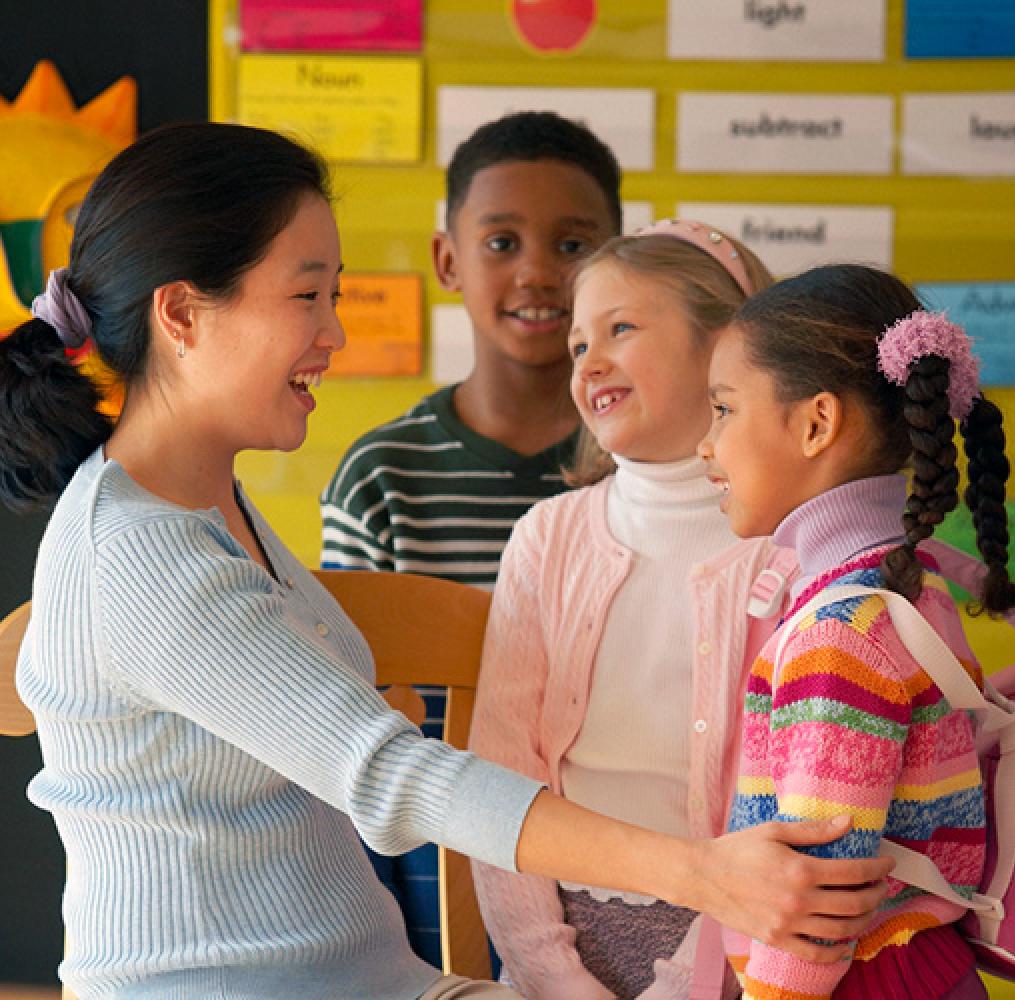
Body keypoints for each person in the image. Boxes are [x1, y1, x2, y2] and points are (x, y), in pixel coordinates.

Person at [0, 125, 895, 1000]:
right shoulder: (137, 550)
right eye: (306, 297)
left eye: (336, 297)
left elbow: (264, 714)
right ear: (185, 314)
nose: (334, 335)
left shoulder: (208, 503)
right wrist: (702, 873)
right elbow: (385, 772)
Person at [469, 220, 824, 1000]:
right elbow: (498, 781)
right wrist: (552, 975)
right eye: (575, 345)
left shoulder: (796, 548)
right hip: (557, 948)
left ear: (728, 344)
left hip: (746, 948)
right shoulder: (546, 539)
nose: (588, 360)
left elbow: (806, 793)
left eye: (620, 329)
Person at [319, 110, 623, 966]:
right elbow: (351, 716)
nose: (535, 271)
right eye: (500, 242)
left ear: (613, 264)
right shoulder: (384, 475)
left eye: (572, 246)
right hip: (426, 905)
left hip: (624, 896)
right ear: (447, 260)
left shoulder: (655, 470)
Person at [697, 263, 1015, 999]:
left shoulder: (840, 631)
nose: (704, 446)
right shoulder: (903, 585)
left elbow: (823, 877)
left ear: (815, 422)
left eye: (722, 409)